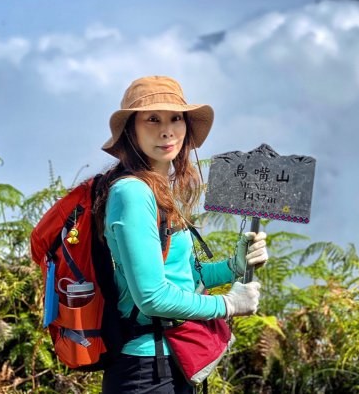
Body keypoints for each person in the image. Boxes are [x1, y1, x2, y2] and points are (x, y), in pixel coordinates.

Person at [93, 76, 268, 394]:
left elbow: (181, 276)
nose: (166, 130)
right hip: (147, 371)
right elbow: (152, 297)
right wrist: (228, 305)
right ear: (131, 130)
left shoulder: (157, 190)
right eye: (152, 119)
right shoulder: (133, 193)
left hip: (170, 364)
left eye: (176, 117)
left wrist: (234, 267)